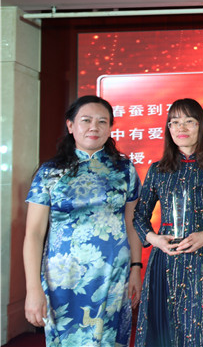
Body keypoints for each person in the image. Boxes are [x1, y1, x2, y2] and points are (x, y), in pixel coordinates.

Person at [23, 95, 142, 346]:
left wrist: (135, 268)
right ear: (70, 126)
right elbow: (34, 233)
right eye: (86, 120)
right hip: (63, 278)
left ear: (110, 128)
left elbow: (132, 223)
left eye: (102, 121)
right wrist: (33, 288)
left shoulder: (125, 170)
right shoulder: (50, 172)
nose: (94, 127)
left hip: (113, 275)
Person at [133, 98, 203, 347]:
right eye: (174, 122)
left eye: (189, 121)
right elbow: (139, 216)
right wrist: (155, 240)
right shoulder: (158, 170)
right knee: (165, 330)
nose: (181, 128)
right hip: (166, 260)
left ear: (200, 126)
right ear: (168, 129)